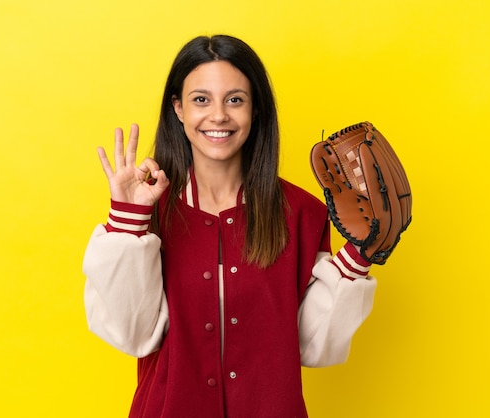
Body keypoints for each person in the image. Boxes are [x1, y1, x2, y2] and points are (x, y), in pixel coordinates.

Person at [83, 34, 377, 418]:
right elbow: (133, 335)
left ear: (255, 110)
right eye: (201, 99)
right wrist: (128, 220)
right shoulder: (147, 208)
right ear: (178, 109)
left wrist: (358, 256)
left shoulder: (301, 212)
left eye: (235, 99)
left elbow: (309, 345)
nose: (218, 115)